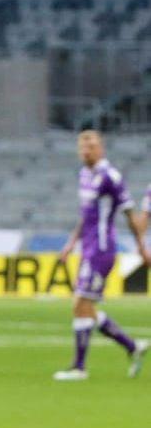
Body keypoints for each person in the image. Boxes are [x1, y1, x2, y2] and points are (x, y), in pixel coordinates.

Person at [52, 130, 150, 381]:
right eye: (83, 147)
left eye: (92, 147)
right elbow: (85, 215)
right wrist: (71, 243)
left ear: (101, 149)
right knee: (85, 307)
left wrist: (141, 246)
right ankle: (132, 346)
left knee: (80, 304)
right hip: (88, 248)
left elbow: (129, 214)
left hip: (102, 249)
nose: (87, 151)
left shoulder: (111, 177)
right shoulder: (85, 175)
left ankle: (79, 368)